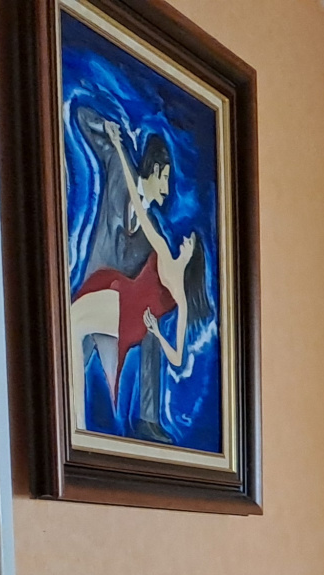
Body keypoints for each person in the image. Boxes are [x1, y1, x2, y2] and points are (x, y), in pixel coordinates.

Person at [65, 109, 212, 443]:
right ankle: (77, 427)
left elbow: (154, 300)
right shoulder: (121, 173)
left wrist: (156, 333)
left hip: (120, 305)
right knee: (70, 349)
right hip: (105, 290)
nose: (167, 189)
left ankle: (119, 423)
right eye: (166, 178)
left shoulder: (157, 242)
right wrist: (111, 134)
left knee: (73, 330)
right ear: (155, 171)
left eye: (189, 244)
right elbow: (82, 118)